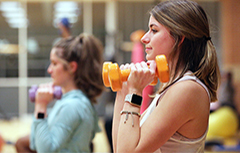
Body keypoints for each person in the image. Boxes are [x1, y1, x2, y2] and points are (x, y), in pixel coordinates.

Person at [112, 0, 220, 152]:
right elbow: (119, 147)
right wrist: (124, 90)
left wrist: (134, 93)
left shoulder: (187, 89)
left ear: (179, 37)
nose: (144, 38)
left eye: (154, 30)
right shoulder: (172, 87)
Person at [15, 33, 105, 152]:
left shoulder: (73, 105)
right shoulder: (68, 101)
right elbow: (35, 142)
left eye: (55, 63)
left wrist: (41, 105)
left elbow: (45, 151)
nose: (49, 70)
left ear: (72, 67)